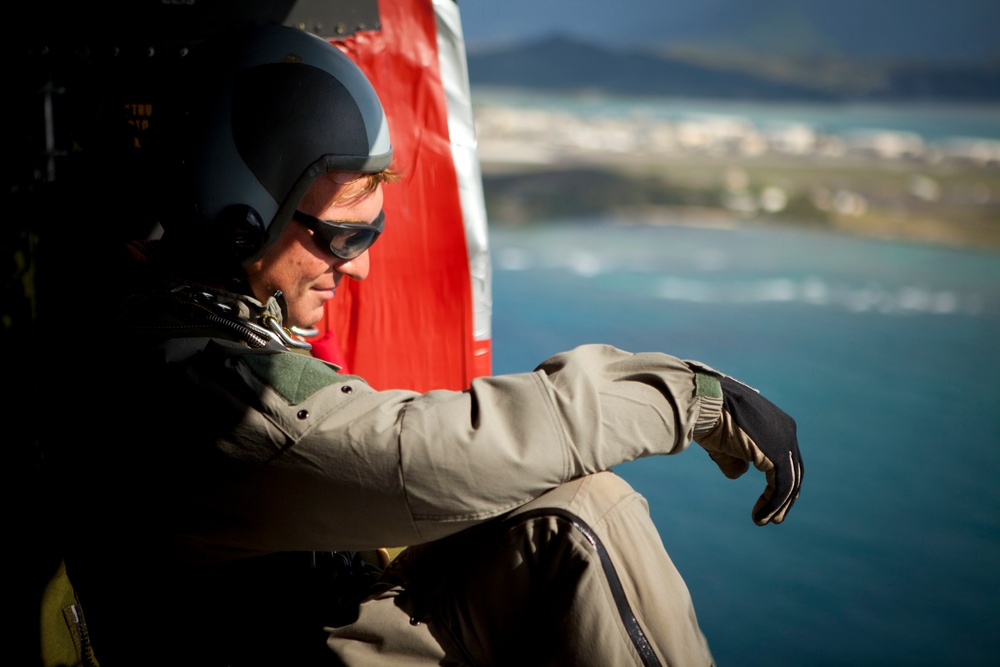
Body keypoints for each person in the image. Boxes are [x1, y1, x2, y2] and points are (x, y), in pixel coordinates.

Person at [47, 24, 803, 667]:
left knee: (573, 511)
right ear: (240, 218)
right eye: (342, 235)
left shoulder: (176, 327)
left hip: (312, 631)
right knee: (584, 520)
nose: (363, 263)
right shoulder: (192, 385)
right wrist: (688, 398)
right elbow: (422, 453)